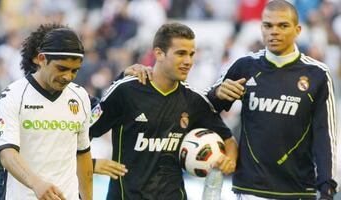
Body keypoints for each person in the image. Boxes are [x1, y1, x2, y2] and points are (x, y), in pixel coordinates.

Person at [89, 22, 238, 199]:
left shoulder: (194, 100)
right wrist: (91, 164)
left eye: (191, 54)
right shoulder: (126, 91)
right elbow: (84, 132)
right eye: (181, 53)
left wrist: (229, 161)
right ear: (159, 53)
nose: (188, 61)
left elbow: (229, 140)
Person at [207, 0, 338, 199]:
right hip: (251, 189)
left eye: (282, 25)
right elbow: (206, 109)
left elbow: (324, 134)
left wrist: (327, 186)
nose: (273, 32)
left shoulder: (317, 74)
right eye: (268, 25)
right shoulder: (244, 67)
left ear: (297, 30)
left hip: (299, 189)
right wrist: (217, 94)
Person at [0, 24, 93, 200]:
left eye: (74, 71)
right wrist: (36, 183)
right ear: (41, 59)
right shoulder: (13, 95)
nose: (68, 76)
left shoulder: (80, 96)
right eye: (61, 68)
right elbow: (7, 154)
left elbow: (83, 154)